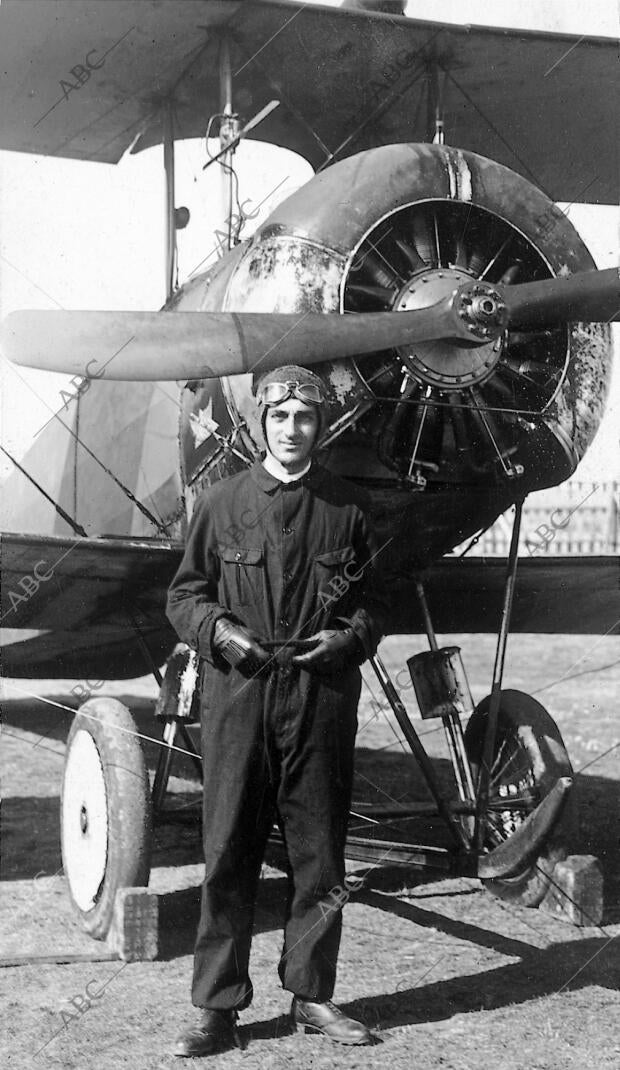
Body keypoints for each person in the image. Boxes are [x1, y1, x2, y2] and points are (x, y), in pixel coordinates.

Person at [166, 364, 387, 1057]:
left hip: (319, 700)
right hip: (239, 695)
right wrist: (222, 634)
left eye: (306, 417)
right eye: (281, 416)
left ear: (321, 425)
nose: (293, 429)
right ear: (261, 423)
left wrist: (345, 639)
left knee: (320, 856)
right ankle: (216, 1006)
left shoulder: (347, 510)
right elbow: (184, 596)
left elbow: (376, 605)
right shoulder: (221, 503)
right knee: (228, 849)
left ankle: (313, 995)